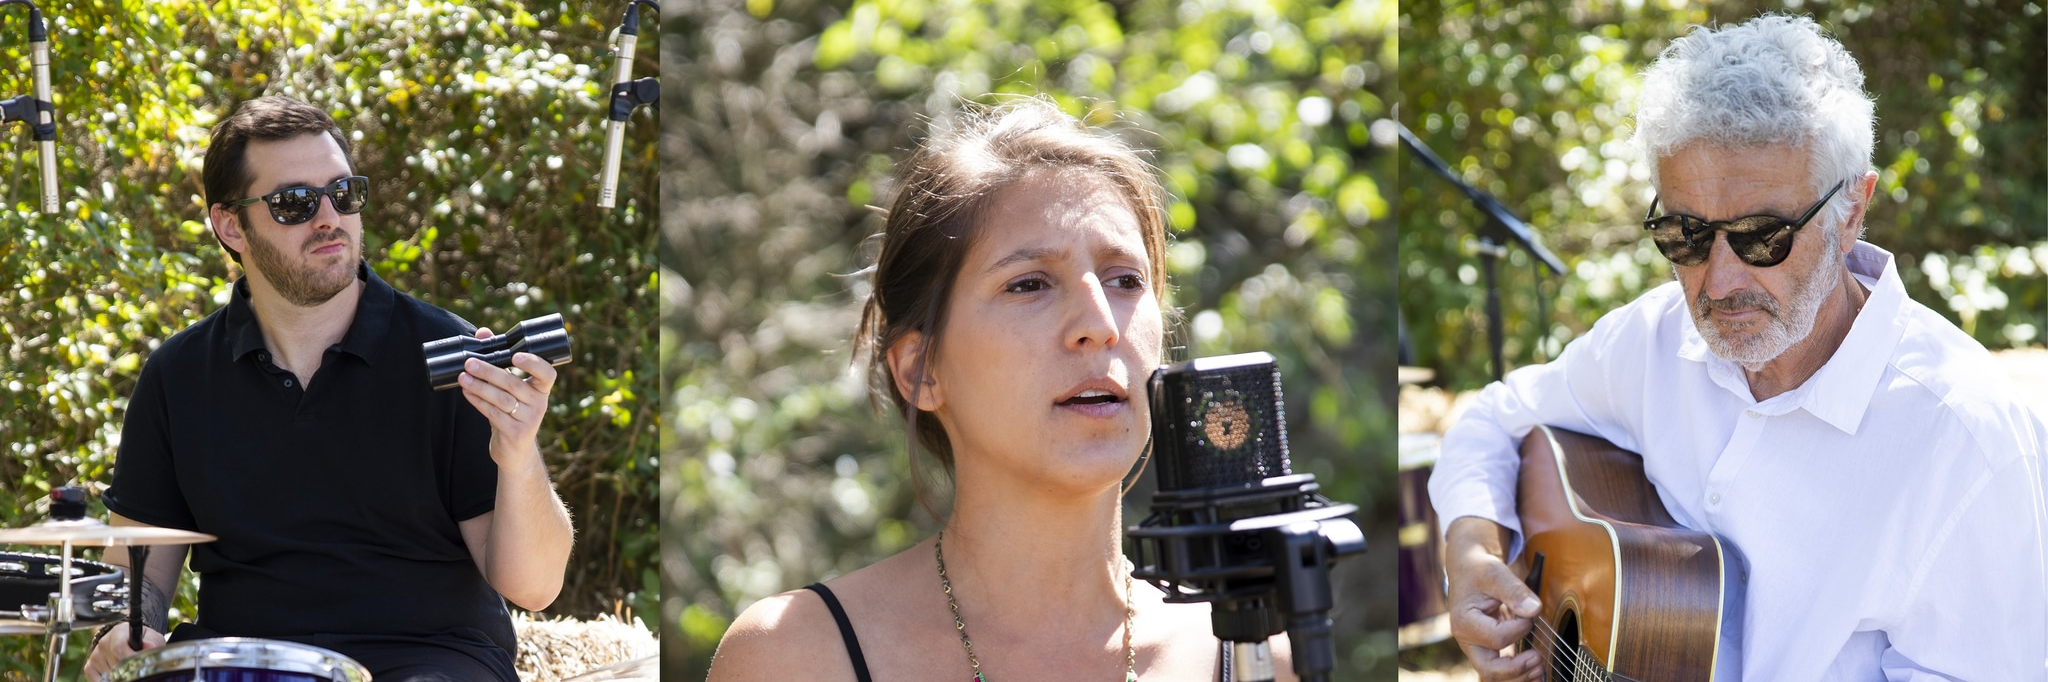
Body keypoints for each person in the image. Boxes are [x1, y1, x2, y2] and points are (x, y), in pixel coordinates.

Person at [1428, 14, 2048, 681]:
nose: (1718, 283)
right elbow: (1494, 419)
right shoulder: (1651, 340)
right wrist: (1471, 548)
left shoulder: (1965, 443)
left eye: (1762, 237)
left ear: (1853, 210)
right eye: (1684, 236)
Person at [704, 99, 1297, 681]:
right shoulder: (797, 655)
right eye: (1030, 284)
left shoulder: (1251, 653)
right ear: (921, 370)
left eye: (1125, 280)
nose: (1099, 324)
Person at [80, 96, 576, 682]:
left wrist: (519, 455)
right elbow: (139, 572)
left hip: (427, 659)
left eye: (344, 194)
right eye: (294, 202)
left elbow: (535, 588)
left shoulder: (449, 354)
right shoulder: (178, 375)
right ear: (230, 224)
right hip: (247, 661)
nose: (328, 218)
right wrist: (123, 631)